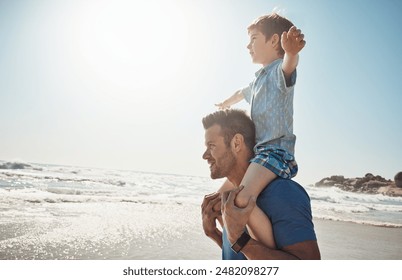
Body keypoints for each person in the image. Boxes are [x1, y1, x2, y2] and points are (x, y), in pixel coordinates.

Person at [214, 13, 305, 249]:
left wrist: (292, 52)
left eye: (254, 39)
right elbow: (239, 93)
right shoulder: (257, 81)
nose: (248, 45)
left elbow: (289, 65)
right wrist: (225, 103)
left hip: (275, 153)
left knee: (241, 199)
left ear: (274, 41)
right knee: (219, 199)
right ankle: (233, 245)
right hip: (258, 155)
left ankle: (270, 254)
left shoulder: (277, 73)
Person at [201, 109, 320, 260]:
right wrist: (214, 234)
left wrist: (240, 240)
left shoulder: (283, 192)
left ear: (236, 143)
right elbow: (242, 257)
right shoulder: (231, 200)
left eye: (211, 146)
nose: (205, 155)